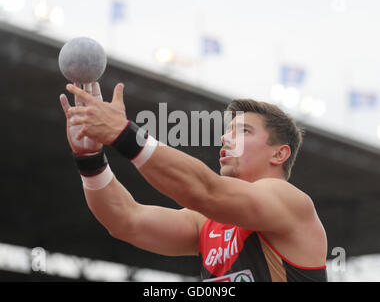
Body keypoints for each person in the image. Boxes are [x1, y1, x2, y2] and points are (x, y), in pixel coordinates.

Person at [59, 81, 328, 282]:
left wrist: (125, 134)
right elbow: (127, 221)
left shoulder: (290, 202)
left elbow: (204, 191)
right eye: (227, 132)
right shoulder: (206, 223)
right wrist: (90, 158)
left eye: (243, 131)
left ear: (279, 153)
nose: (225, 139)